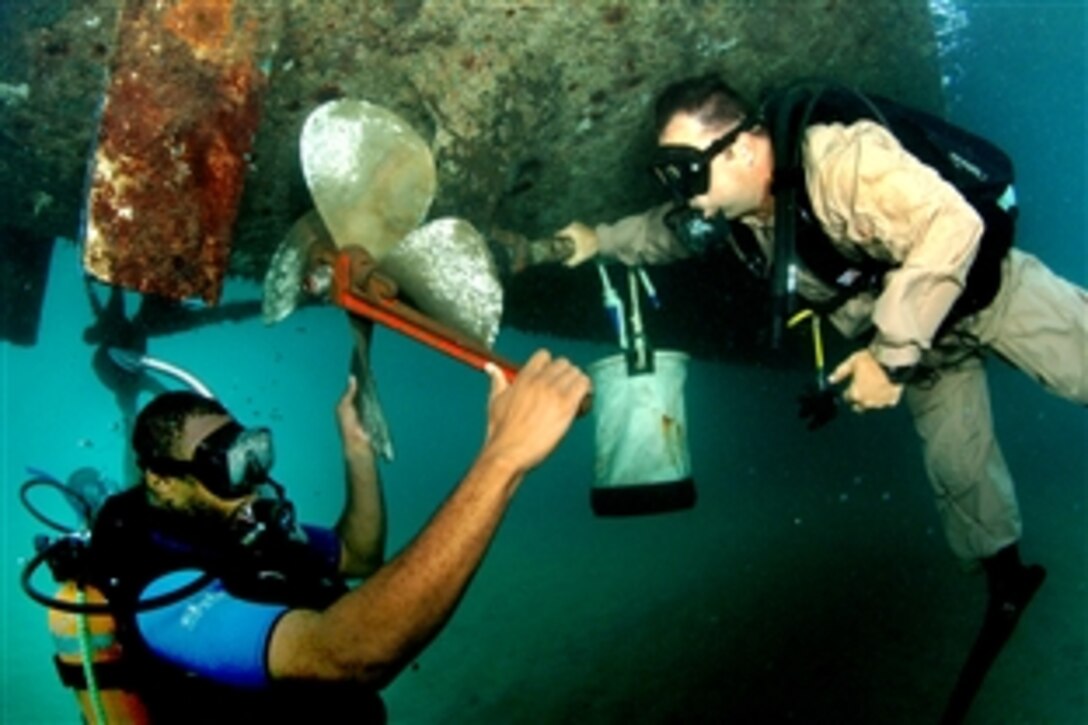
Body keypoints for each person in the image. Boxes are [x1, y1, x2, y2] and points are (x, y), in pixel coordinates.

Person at [547, 73, 1086, 680]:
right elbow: (664, 232)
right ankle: (1008, 580)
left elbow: (953, 227)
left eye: (687, 172)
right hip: (921, 353)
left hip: (987, 298)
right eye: (670, 176)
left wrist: (888, 360)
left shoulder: (842, 160)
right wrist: (600, 240)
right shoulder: (742, 215)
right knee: (960, 472)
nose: (684, 192)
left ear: (743, 148)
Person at [87, 338, 590, 723]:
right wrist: (502, 460)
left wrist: (356, 448)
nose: (253, 482)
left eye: (254, 454)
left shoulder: (241, 527)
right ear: (163, 482)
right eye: (227, 466)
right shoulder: (161, 593)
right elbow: (345, 656)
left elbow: (359, 553)